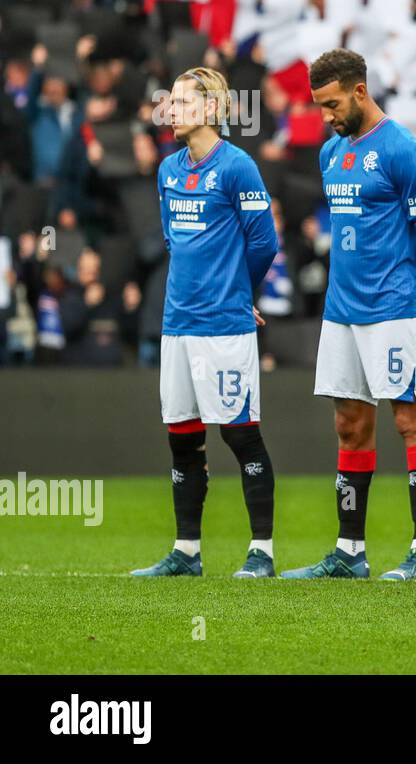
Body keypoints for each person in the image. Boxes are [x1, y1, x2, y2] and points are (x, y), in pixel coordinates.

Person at [283, 50, 416, 581]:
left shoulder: (401, 150)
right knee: (349, 425)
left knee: (409, 420)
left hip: (392, 307)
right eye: (319, 106)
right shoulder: (331, 153)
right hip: (341, 309)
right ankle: (349, 552)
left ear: (359, 92)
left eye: (331, 104)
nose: (326, 116)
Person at [131, 67, 278, 579]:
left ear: (212, 110)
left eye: (183, 101)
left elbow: (265, 243)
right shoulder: (168, 169)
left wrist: (242, 291)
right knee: (182, 436)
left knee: (240, 435)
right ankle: (186, 552)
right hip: (178, 323)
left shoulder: (238, 167)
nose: (172, 110)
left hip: (223, 324)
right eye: (169, 102)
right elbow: (174, 239)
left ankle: (262, 551)